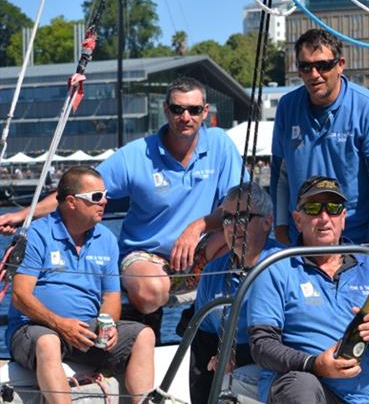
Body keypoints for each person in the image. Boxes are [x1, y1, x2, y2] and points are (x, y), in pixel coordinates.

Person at [0, 77, 246, 319]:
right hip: (147, 255)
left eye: (193, 110)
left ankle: (204, 316)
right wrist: (23, 216)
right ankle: (164, 312)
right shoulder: (136, 155)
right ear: (165, 110)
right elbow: (79, 191)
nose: (185, 117)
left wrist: (198, 226)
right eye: (177, 109)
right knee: (151, 292)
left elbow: (240, 203)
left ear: (204, 112)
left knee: (244, 235)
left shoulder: (220, 144)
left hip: (200, 252)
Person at [247, 176, 369, 404]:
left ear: (343, 218)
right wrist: (315, 364)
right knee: (302, 386)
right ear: (297, 219)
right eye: (313, 209)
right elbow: (261, 345)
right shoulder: (275, 268)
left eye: (333, 209)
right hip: (297, 387)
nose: (324, 218)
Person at [5, 167, 155, 404]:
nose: (105, 202)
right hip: (33, 328)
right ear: (71, 202)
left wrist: (107, 325)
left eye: (105, 195)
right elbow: (21, 296)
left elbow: (111, 296)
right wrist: (61, 324)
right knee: (48, 342)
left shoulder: (106, 239)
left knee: (144, 335)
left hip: (85, 329)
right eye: (96, 197)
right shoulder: (37, 235)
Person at [270, 29, 369, 246]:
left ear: (340, 65)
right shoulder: (286, 106)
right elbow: (279, 175)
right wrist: (281, 229)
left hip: (355, 240)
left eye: (323, 65)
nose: (314, 74)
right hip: (300, 241)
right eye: (305, 67)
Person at [189, 183, 282, 404]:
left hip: (281, 369)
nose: (233, 227)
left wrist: (237, 357)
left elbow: (294, 339)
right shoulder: (213, 272)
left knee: (235, 381)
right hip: (234, 371)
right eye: (228, 219)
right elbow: (203, 344)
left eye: (243, 217)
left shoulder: (285, 264)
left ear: (268, 222)